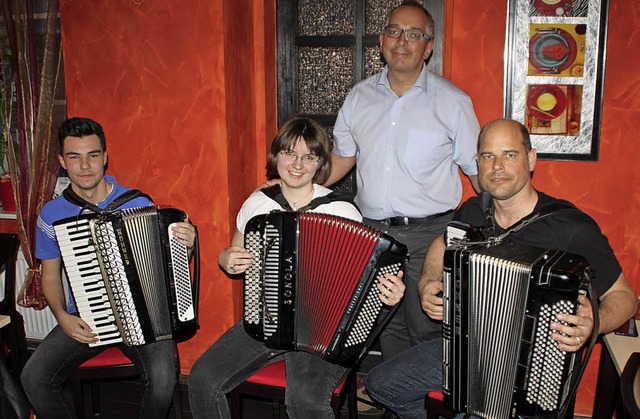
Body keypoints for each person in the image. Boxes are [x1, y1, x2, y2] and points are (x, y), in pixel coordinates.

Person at [365, 118, 637, 418]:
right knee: (381, 384)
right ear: (478, 163)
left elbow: (625, 298)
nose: (497, 166)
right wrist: (428, 282)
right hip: (466, 347)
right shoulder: (472, 212)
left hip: (534, 365)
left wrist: (593, 323)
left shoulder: (570, 227)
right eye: (487, 156)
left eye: (509, 154)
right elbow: (441, 245)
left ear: (530, 159)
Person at [188, 117, 406, 419]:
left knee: (304, 400)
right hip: (265, 319)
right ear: (276, 156)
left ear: (320, 164)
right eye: (289, 153)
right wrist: (226, 257)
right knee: (202, 380)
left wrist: (389, 294)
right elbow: (233, 253)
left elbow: (365, 283)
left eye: (309, 156)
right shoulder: (258, 204)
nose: (297, 164)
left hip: (325, 329)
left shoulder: (341, 210)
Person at [328, 0, 481, 359]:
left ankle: (430, 405)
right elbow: (342, 158)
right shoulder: (358, 97)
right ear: (382, 40)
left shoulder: (453, 102)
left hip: (432, 236)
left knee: (429, 328)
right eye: (394, 31)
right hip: (373, 233)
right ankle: (397, 404)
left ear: (428, 48)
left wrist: (501, 222)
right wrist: (294, 187)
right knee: (386, 325)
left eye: (414, 34)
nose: (402, 40)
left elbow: (478, 173)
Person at [23, 117, 196, 418]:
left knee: (163, 380)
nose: (85, 166)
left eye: (92, 155)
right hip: (85, 318)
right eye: (75, 157)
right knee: (33, 378)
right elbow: (50, 274)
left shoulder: (137, 203)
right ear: (63, 162)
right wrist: (62, 316)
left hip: (144, 317)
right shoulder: (50, 215)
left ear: (105, 157)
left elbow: (168, 267)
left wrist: (188, 245)